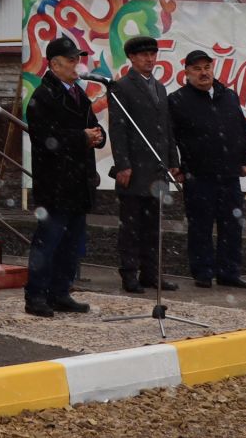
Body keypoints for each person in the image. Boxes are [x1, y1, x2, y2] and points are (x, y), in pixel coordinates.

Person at [22, 36, 105, 317]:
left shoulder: (79, 94)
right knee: (48, 242)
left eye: (77, 59)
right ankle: (36, 295)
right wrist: (80, 137)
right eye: (71, 60)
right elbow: (45, 138)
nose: (76, 64)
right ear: (54, 64)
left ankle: (61, 291)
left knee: (71, 244)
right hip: (55, 182)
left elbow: (91, 126)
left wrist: (98, 135)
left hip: (78, 181)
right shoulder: (43, 96)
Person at [167, 49, 246, 288]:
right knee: (200, 225)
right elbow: (170, 137)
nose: (203, 73)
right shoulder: (177, 100)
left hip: (229, 173)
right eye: (197, 69)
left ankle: (229, 272)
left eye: (207, 67)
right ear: (187, 73)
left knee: (232, 225)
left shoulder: (228, 96)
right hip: (198, 174)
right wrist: (179, 167)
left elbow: (241, 129)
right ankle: (203, 272)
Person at [106, 35, 181, 295]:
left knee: (153, 226)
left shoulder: (160, 87)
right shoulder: (121, 87)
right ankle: (129, 274)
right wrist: (123, 164)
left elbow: (167, 129)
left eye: (153, 54)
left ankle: (152, 273)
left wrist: (173, 161)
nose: (149, 59)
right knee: (131, 226)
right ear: (132, 58)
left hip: (157, 169)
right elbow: (117, 129)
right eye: (143, 55)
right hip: (135, 169)